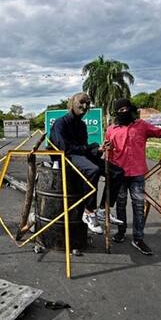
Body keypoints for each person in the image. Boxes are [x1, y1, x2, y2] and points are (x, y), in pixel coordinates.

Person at [105, 98, 161, 255]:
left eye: (127, 109)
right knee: (120, 204)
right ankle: (121, 232)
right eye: (121, 110)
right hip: (119, 173)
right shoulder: (111, 129)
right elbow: (107, 151)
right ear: (116, 113)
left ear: (131, 109)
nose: (124, 112)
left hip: (137, 173)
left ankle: (138, 238)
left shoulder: (142, 126)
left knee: (139, 206)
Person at [49, 92, 124, 235]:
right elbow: (65, 148)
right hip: (65, 157)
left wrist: (98, 149)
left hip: (79, 155)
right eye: (82, 102)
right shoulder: (60, 123)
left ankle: (103, 209)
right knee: (93, 169)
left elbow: (84, 148)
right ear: (72, 103)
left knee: (117, 172)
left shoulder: (82, 125)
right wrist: (89, 148)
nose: (85, 106)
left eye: (88, 103)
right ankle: (89, 212)